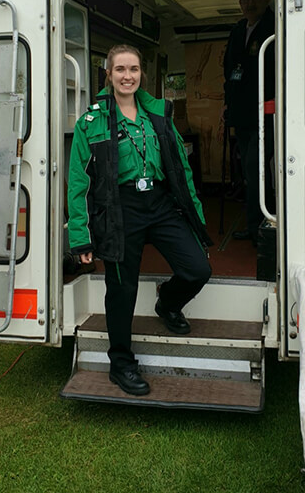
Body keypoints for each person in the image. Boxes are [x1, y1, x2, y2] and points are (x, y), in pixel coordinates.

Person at [67, 44, 212, 396]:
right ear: (109, 75)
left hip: (160, 203)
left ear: (141, 74)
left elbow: (181, 170)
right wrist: (80, 238)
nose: (127, 76)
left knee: (197, 269)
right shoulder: (91, 121)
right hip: (120, 209)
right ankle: (121, 364)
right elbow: (78, 182)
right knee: (122, 290)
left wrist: (198, 222)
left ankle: (168, 301)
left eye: (133, 69)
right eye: (120, 70)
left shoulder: (158, 113)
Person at [223, 0, 275, 246]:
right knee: (248, 171)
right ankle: (255, 223)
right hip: (241, 114)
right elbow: (228, 69)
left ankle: (260, 228)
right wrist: (228, 103)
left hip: (266, 114)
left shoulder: (275, 25)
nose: (249, 3)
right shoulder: (237, 30)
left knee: (257, 171)